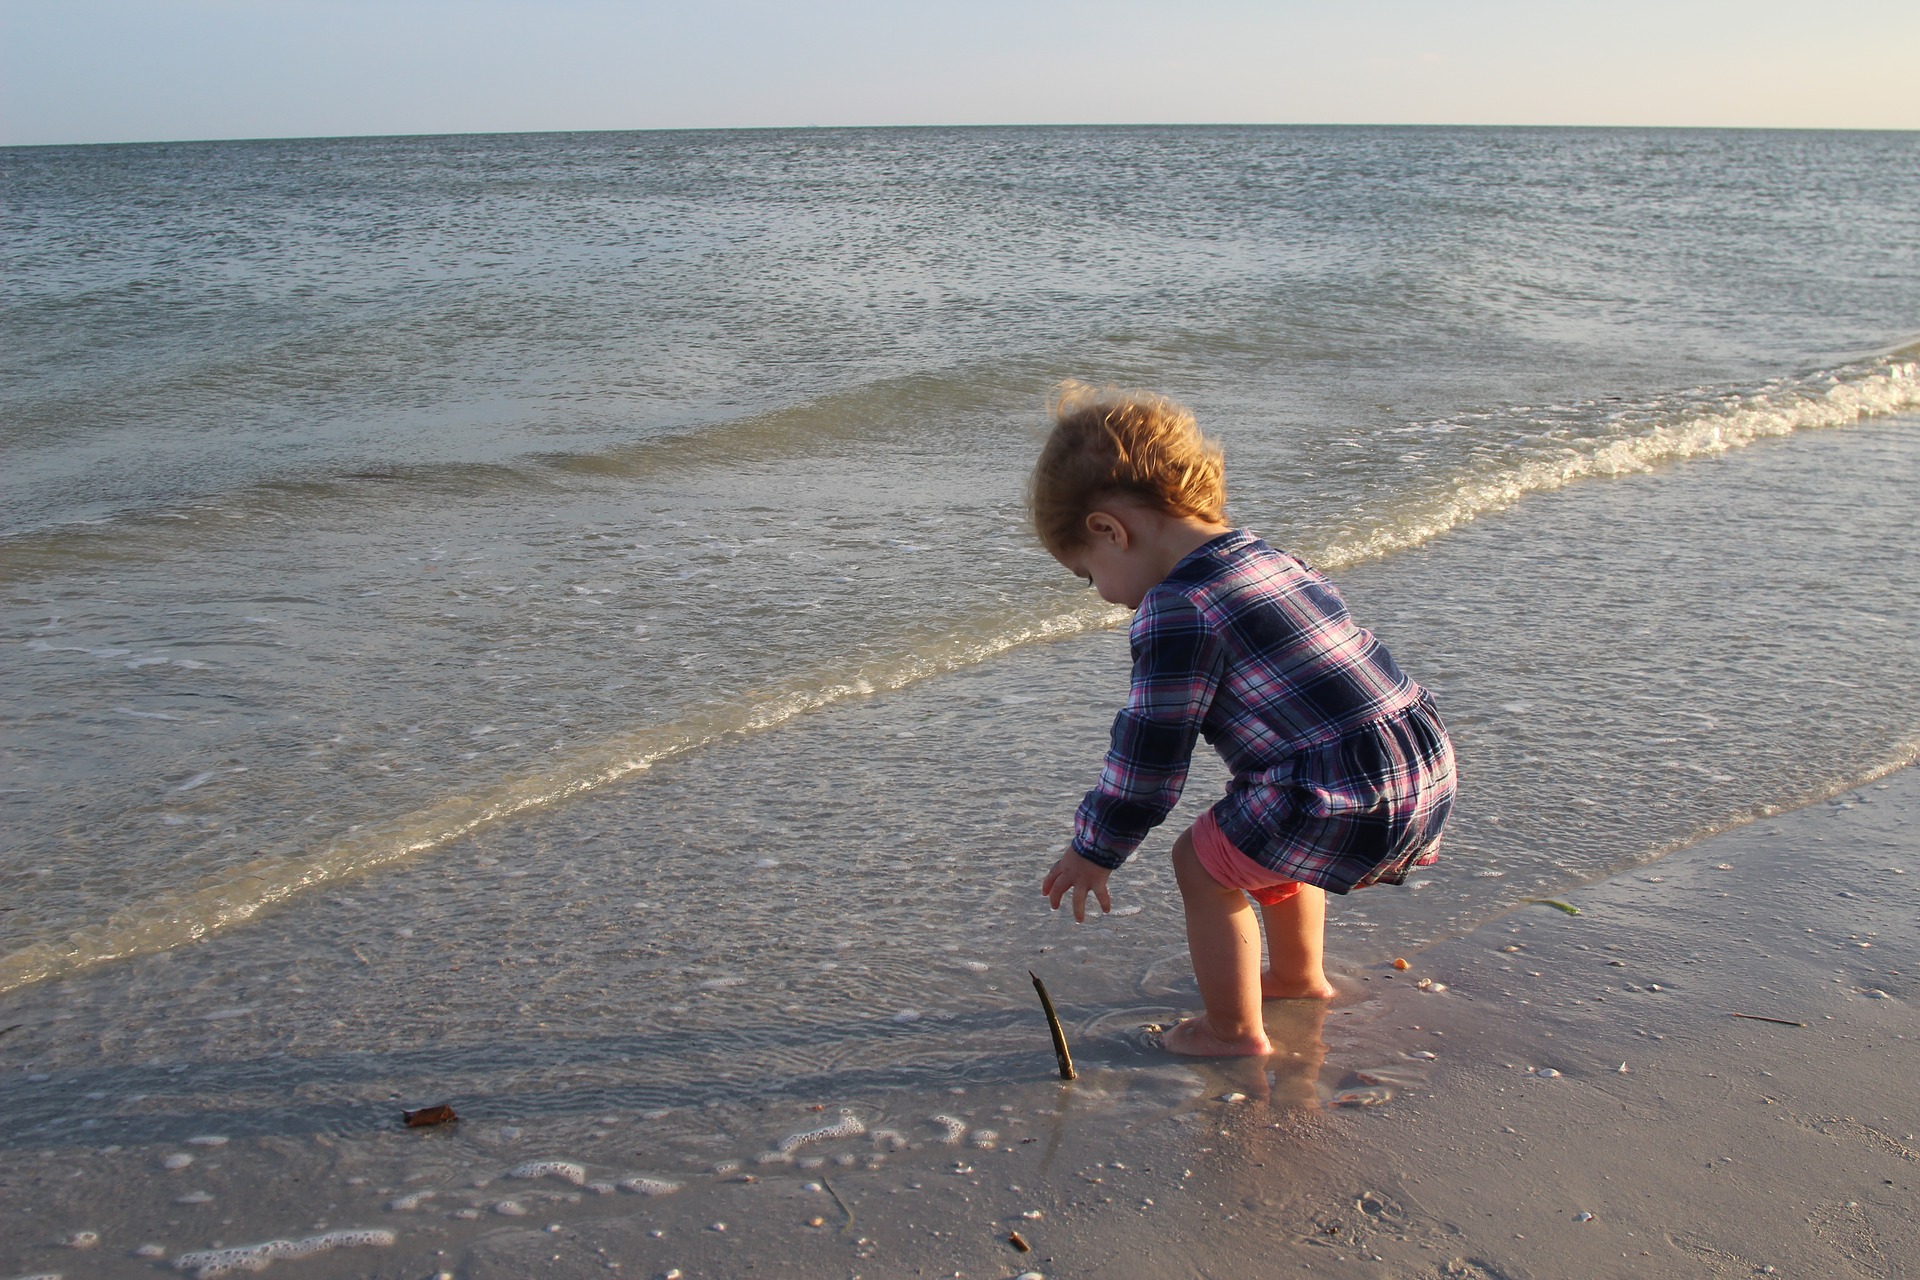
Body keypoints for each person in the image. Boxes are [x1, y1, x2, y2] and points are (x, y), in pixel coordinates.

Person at [1033, 383, 1456, 1057]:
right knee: (1260, 834)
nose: (1103, 596)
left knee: (1201, 863)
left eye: (1089, 575)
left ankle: (1231, 1031)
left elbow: (1151, 759)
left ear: (1108, 529)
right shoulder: (1269, 557)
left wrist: (1096, 847)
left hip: (1339, 793)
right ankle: (1297, 976)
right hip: (1419, 767)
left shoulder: (1176, 607)